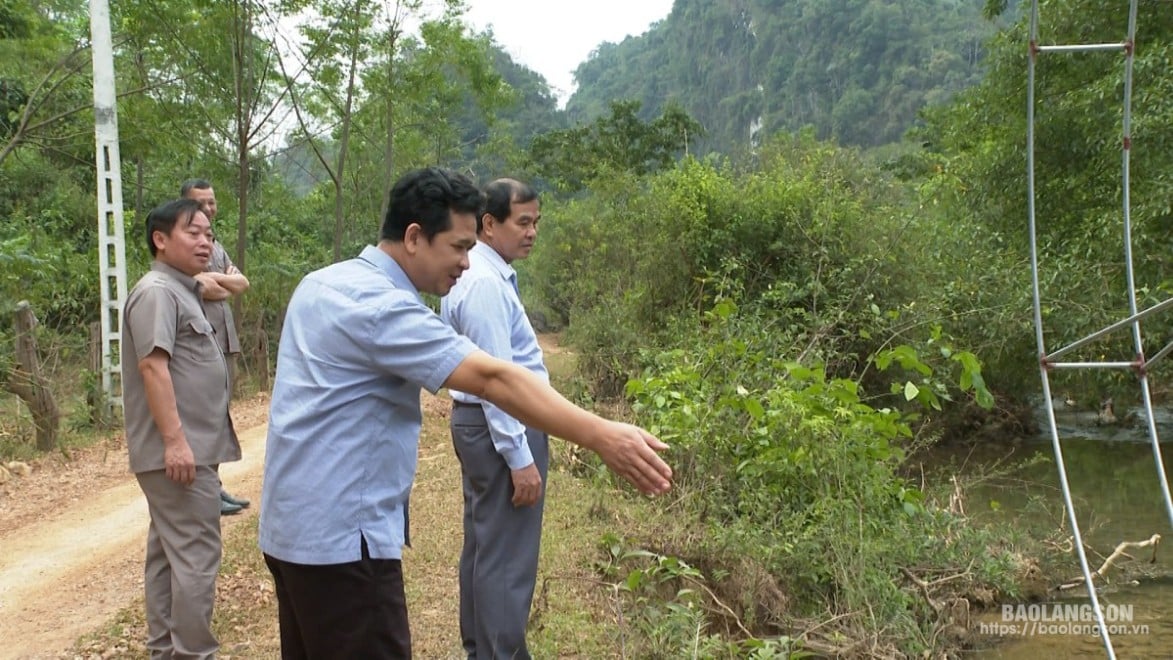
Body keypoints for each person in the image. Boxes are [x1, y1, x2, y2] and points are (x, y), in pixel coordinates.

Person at [258, 167, 672, 658]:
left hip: (292, 533)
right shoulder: (381, 307)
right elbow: (494, 378)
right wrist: (602, 434)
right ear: (414, 237)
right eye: (458, 247)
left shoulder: (323, 282)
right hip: (345, 544)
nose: (467, 262)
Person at [122, 198, 241, 659]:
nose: (205, 241)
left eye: (209, 234)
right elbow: (153, 368)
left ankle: (165, 652)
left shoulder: (183, 289)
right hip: (179, 453)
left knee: (168, 557)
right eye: (193, 231)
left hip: (189, 451)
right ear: (160, 239)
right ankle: (194, 653)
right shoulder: (157, 292)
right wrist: (175, 442)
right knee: (196, 557)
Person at [440, 178, 547, 659]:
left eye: (535, 223)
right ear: (490, 223)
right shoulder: (483, 283)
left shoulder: (483, 273)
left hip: (483, 426)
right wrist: (520, 457)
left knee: (486, 545)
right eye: (522, 222)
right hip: (500, 427)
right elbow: (497, 384)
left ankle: (481, 649)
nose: (531, 233)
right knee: (506, 557)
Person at [180, 178, 251, 516]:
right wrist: (224, 281)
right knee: (204, 417)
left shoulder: (216, 245)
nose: (208, 208)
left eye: (212, 202)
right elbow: (205, 286)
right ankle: (205, 491)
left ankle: (214, 487)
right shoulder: (186, 249)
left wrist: (221, 281)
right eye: (200, 203)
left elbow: (240, 283)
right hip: (199, 342)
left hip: (224, 340)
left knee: (220, 416)